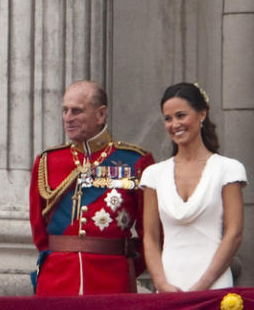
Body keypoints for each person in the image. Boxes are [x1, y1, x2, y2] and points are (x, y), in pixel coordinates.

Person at [29, 80, 155, 295]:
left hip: (112, 279)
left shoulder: (135, 162)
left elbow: (150, 232)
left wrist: (126, 265)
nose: (68, 118)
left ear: (101, 114)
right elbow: (39, 230)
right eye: (65, 110)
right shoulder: (48, 161)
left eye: (76, 111)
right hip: (57, 278)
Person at [140, 83, 246, 291]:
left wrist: (203, 284)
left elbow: (234, 232)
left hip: (214, 284)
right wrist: (162, 284)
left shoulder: (228, 169)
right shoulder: (153, 174)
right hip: (169, 286)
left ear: (202, 114)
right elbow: (150, 237)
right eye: (168, 118)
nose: (174, 124)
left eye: (181, 115)